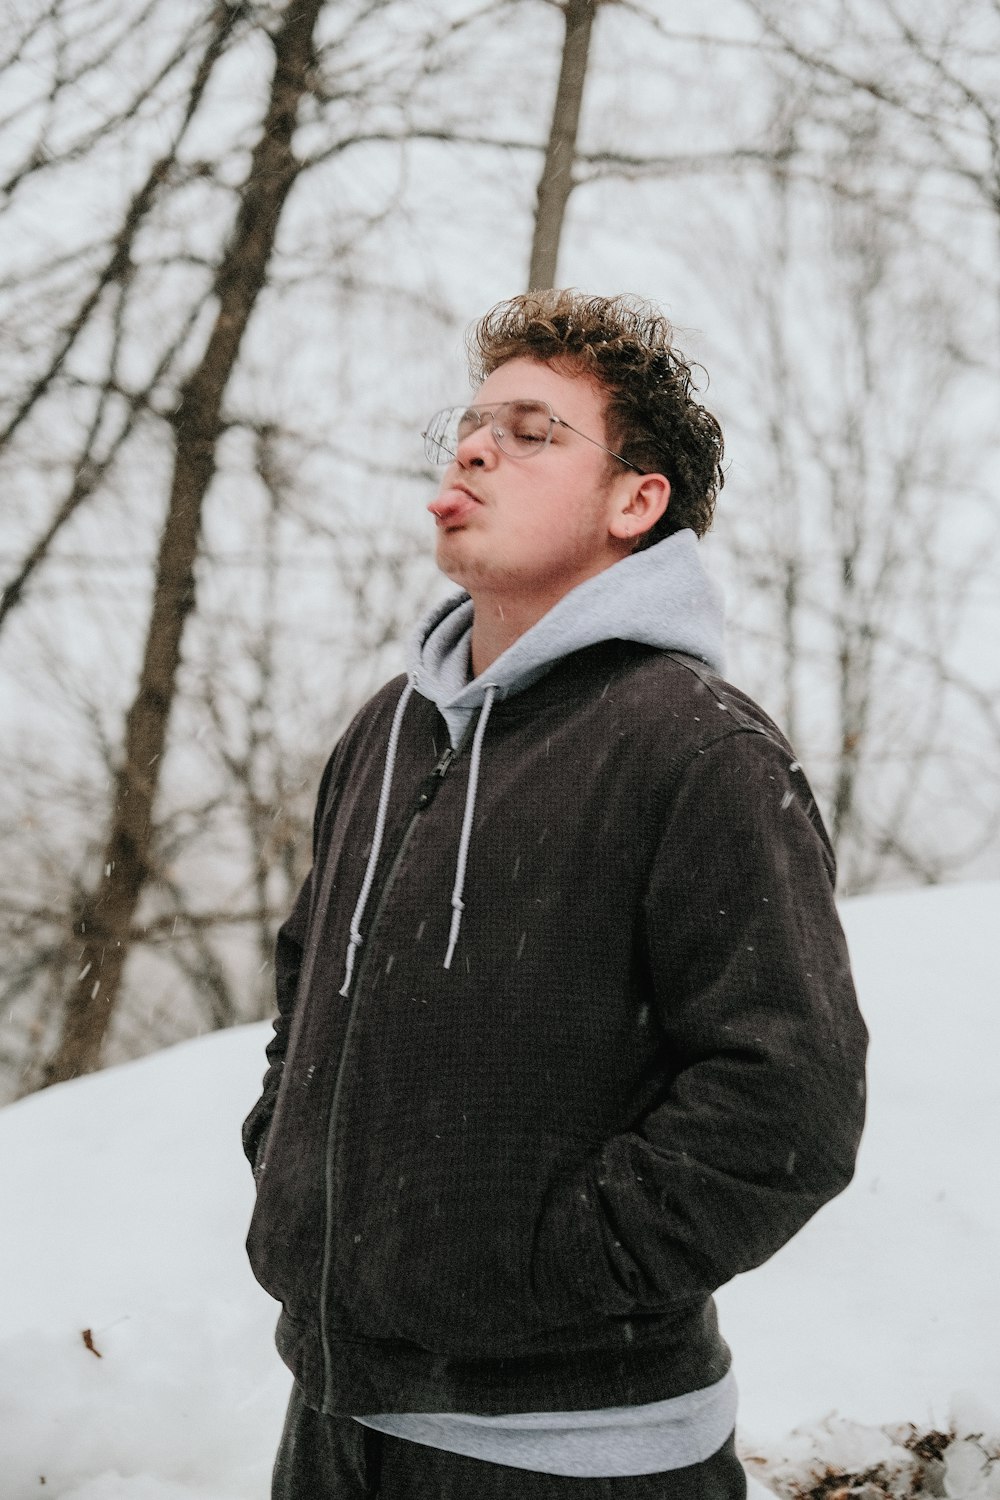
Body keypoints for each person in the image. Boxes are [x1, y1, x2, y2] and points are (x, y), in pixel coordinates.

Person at [243, 290, 868, 1500]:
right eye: (471, 426)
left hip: (575, 1459)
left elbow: (785, 1109)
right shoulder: (387, 732)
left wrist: (533, 1269)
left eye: (533, 432)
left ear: (637, 502)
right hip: (333, 1424)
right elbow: (300, 1004)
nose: (474, 447)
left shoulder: (695, 747)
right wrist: (293, 1177)